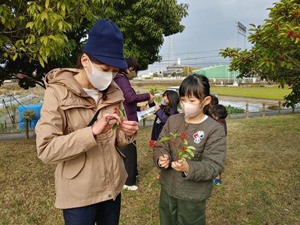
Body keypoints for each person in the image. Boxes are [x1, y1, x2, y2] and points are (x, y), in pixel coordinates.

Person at [35, 19, 139, 225]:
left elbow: (116, 139)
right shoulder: (57, 92)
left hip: (112, 187)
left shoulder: (114, 92)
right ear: (85, 60)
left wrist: (126, 132)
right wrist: (92, 132)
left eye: (114, 70)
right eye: (104, 68)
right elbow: (46, 149)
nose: (109, 76)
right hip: (79, 195)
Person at [153, 74, 227, 225]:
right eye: (183, 100)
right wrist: (162, 158)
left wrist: (188, 168)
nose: (186, 104)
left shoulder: (214, 129)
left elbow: (214, 165)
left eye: (192, 100)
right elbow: (161, 144)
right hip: (168, 188)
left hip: (193, 194)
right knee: (166, 220)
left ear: (206, 101)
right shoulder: (173, 121)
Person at [114, 57, 155, 191]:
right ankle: (129, 182)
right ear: (129, 69)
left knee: (129, 150)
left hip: (125, 119)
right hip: (127, 122)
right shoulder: (122, 79)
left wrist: (138, 108)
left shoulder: (119, 79)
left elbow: (125, 102)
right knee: (129, 152)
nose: (136, 74)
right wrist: (147, 96)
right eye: (135, 71)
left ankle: (131, 175)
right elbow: (130, 97)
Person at [210, 104, 228, 186]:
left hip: (215, 147)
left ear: (216, 116)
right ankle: (217, 178)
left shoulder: (218, 125)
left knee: (215, 161)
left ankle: (217, 179)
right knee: (218, 161)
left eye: (212, 114)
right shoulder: (223, 122)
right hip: (220, 147)